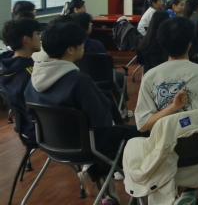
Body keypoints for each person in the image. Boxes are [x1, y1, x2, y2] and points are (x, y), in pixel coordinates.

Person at [24, 20, 140, 203]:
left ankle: (101, 184)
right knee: (141, 135)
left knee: (115, 138)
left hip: (52, 145)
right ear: (70, 49)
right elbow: (101, 120)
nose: (84, 45)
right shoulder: (78, 81)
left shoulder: (33, 80)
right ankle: (132, 189)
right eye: (81, 43)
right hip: (87, 145)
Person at [135, 15, 198, 205]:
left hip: (162, 157)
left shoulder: (150, 76)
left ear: (162, 43)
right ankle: (188, 192)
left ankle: (176, 193)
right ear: (190, 43)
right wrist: (179, 110)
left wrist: (172, 109)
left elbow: (143, 125)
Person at [1, 18, 41, 142]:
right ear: (26, 39)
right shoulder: (31, 73)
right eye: (37, 34)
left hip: (25, 127)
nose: (40, 38)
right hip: (40, 130)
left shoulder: (7, 66)